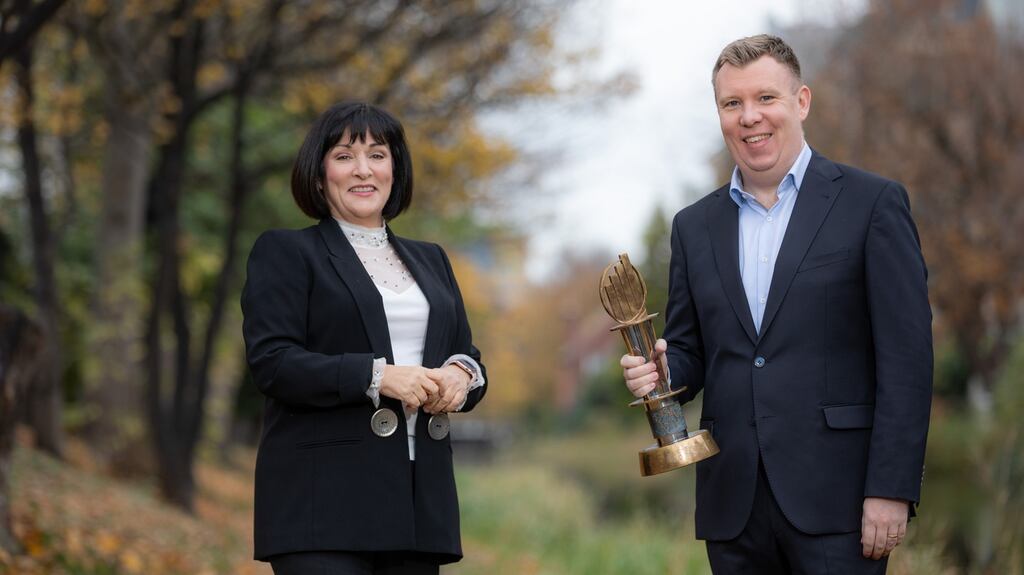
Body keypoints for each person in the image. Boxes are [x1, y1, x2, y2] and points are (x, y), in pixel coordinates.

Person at [621, 35, 932, 574]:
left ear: (801, 101)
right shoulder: (693, 227)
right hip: (733, 507)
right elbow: (691, 355)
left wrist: (891, 488)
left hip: (840, 503)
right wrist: (661, 371)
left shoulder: (872, 204)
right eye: (732, 103)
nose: (749, 117)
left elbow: (908, 360)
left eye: (765, 98)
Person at [242, 102, 486, 574]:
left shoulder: (432, 259)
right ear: (319, 175)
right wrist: (378, 376)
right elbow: (273, 363)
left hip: (418, 505)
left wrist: (463, 374)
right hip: (322, 503)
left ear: (395, 170)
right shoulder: (287, 251)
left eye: (377, 155)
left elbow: (465, 352)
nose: (363, 169)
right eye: (343, 156)